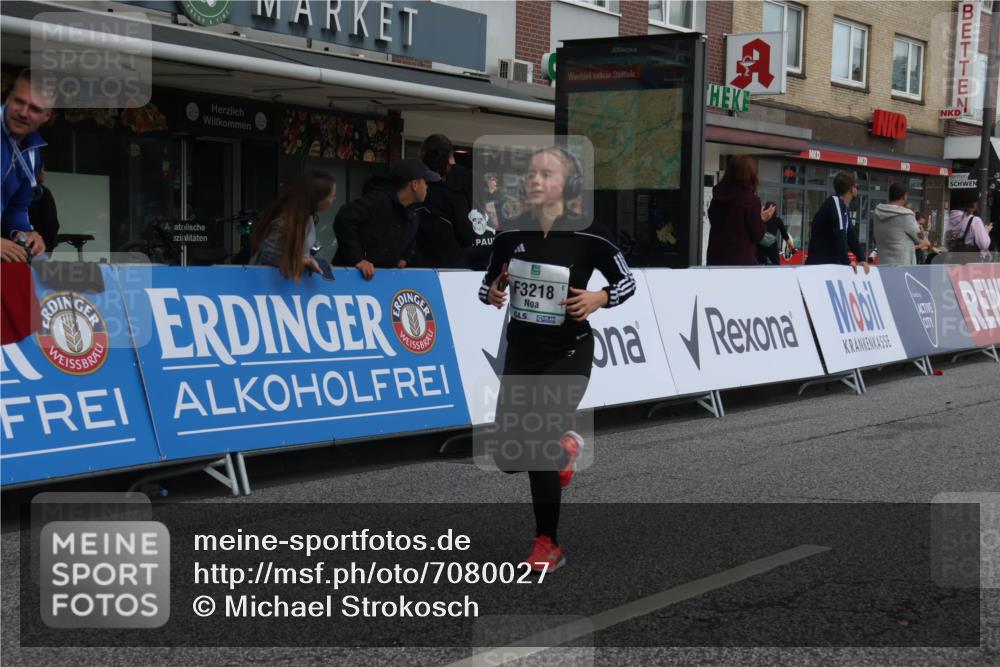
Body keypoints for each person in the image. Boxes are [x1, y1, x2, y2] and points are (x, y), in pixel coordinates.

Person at [480, 146, 636, 573]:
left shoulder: (591, 233)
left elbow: (628, 283)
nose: (534, 180)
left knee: (537, 443)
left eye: (545, 173)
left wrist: (599, 297)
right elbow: (488, 284)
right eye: (530, 173)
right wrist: (493, 293)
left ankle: (547, 543)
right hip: (522, 353)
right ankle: (563, 451)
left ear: (567, 184)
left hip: (569, 353)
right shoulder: (510, 232)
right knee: (510, 458)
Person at [333, 158, 438, 280]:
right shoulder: (378, 201)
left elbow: (411, 240)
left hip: (380, 282)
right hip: (350, 279)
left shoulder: (414, 211)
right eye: (425, 182)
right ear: (414, 185)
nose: (427, 187)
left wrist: (405, 257)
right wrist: (358, 259)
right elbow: (344, 218)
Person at [2, 69, 53, 261]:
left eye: (35, 109)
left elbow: (16, 207)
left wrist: (25, 233)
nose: (23, 113)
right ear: (8, 99)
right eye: (19, 101)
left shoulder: (32, 151)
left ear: (47, 116)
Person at [249, 170, 336, 281]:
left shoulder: (307, 217)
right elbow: (268, 255)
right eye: (332, 195)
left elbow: (296, 253)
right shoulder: (285, 220)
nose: (334, 199)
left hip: (286, 283)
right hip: (265, 285)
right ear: (318, 197)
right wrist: (303, 261)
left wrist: (314, 263)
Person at [706, 155, 771, 266]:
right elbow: (758, 234)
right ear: (751, 175)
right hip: (740, 264)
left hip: (715, 260)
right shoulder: (751, 200)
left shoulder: (717, 197)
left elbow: (714, 220)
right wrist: (762, 219)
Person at [805, 171, 868, 272]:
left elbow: (851, 236)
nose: (857, 189)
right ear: (852, 189)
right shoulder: (835, 202)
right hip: (819, 266)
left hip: (830, 265)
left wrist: (861, 259)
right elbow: (840, 233)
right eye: (856, 186)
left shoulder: (843, 208)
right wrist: (847, 262)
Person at [872, 183, 928, 266]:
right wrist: (922, 235)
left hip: (883, 265)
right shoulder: (906, 216)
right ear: (905, 196)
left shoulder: (878, 214)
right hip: (902, 268)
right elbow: (920, 240)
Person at [27, 165, 59, 254]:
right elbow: (52, 224)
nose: (44, 173)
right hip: (39, 247)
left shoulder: (12, 190)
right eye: (43, 169)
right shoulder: (43, 193)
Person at [756, 201, 794, 265]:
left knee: (759, 263)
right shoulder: (778, 220)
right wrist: (789, 243)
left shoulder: (760, 218)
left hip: (760, 245)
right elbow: (784, 234)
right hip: (772, 246)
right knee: (775, 264)